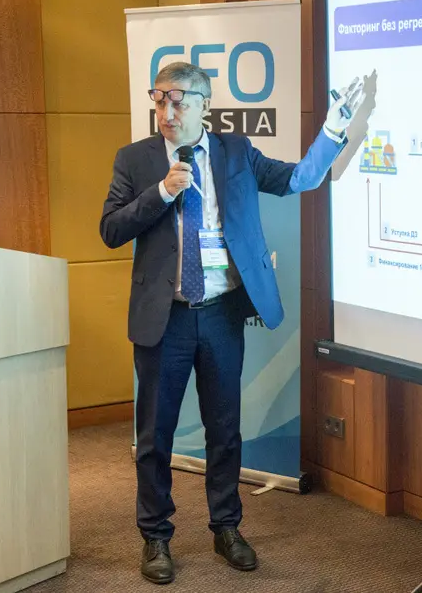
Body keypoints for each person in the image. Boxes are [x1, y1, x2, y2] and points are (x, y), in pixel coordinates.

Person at [99, 61, 368, 585]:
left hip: (221, 314)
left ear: (205, 105)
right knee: (155, 434)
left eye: (178, 100)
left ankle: (226, 527)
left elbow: (298, 179)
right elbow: (110, 229)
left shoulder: (237, 152)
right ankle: (155, 535)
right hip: (165, 319)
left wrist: (333, 129)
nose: (167, 111)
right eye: (159, 98)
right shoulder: (135, 159)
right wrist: (162, 193)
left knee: (225, 430)